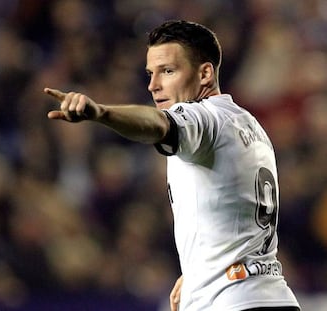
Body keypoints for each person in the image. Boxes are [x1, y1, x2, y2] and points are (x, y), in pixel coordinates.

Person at [44, 20, 300, 311]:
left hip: (232, 302)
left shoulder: (204, 119)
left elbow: (160, 124)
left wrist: (101, 113)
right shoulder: (250, 125)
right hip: (269, 296)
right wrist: (198, 273)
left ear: (205, 73)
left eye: (167, 71)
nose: (153, 86)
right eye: (150, 74)